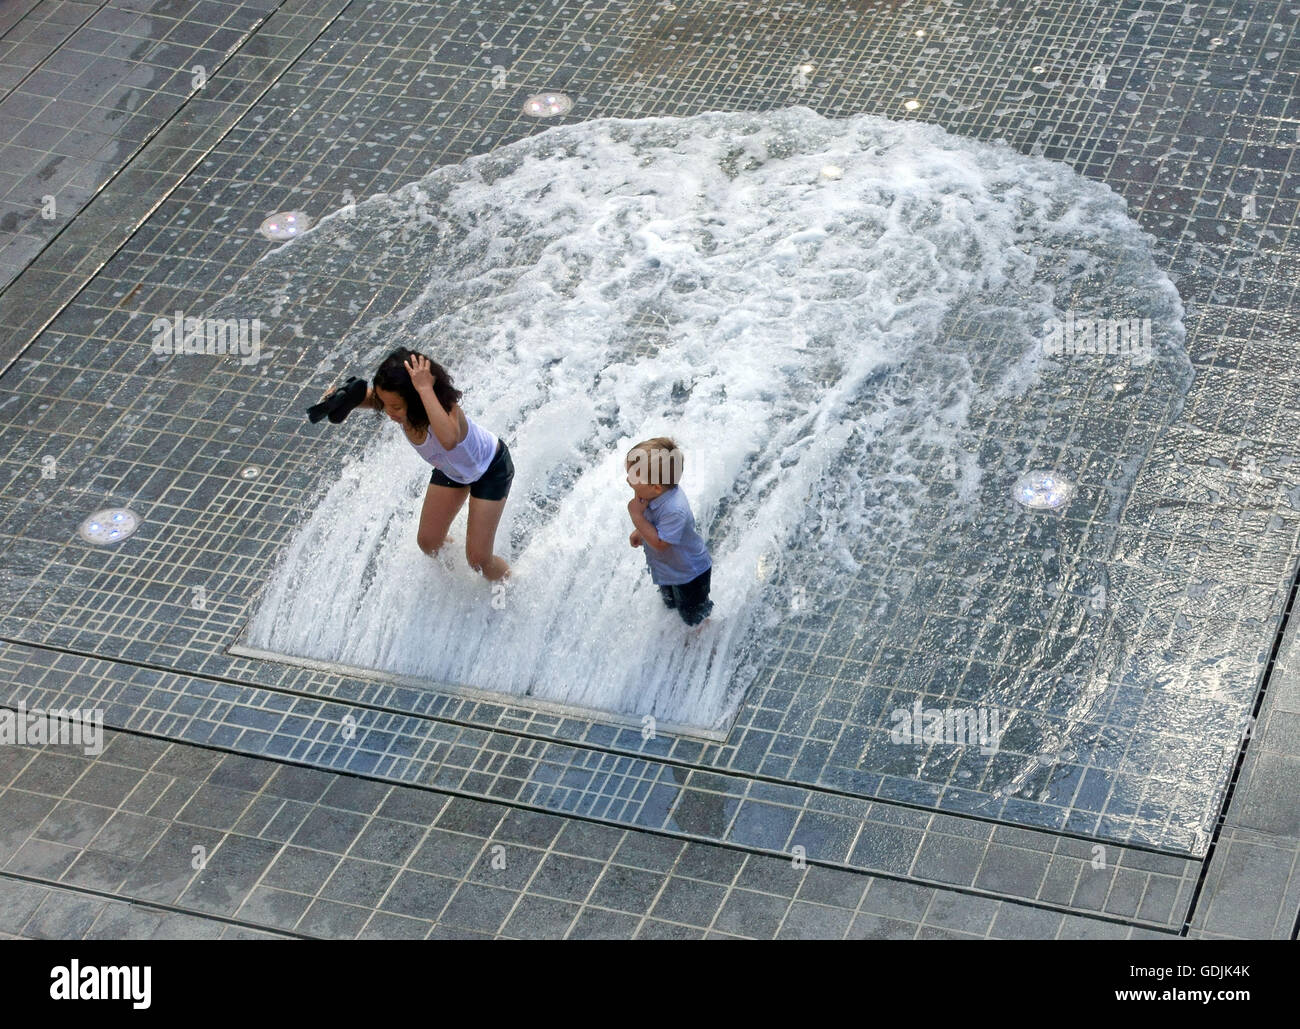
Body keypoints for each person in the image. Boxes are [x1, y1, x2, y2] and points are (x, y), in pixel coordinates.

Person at [319, 347, 513, 580]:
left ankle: (511, 583)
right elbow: (375, 399)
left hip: (489, 469)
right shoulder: (398, 407)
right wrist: (341, 400)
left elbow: (449, 439)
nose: (389, 412)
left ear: (420, 399)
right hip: (452, 470)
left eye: (397, 407)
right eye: (385, 403)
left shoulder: (447, 409)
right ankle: (457, 575)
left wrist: (424, 387)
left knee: (479, 561)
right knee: (428, 542)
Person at [625, 436, 713, 626]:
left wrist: (637, 518)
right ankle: (680, 621)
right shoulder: (650, 493)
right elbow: (654, 521)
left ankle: (705, 636)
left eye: (632, 478)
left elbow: (660, 544)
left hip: (689, 574)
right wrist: (640, 531)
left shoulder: (675, 510)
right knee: (671, 604)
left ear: (656, 487)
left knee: (694, 616)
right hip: (668, 570)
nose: (627, 481)